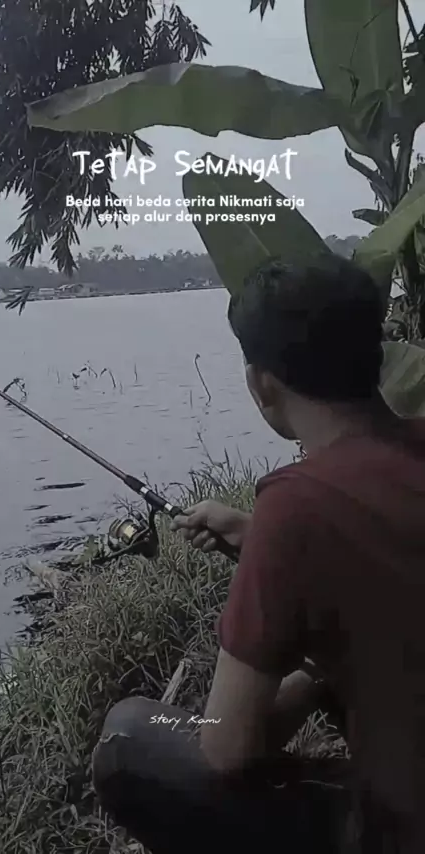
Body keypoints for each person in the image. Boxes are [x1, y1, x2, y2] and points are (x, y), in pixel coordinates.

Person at [92, 255, 425, 854]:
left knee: (130, 736)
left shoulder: (294, 505)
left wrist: (313, 673)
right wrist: (257, 536)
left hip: (402, 828)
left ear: (260, 384)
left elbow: (228, 747)